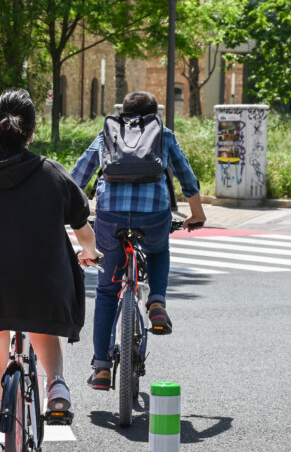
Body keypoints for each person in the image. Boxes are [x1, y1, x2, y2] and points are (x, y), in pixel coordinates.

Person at [0, 90, 98, 452]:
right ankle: (57, 385)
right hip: (42, 287)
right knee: (41, 320)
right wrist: (90, 253)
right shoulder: (52, 172)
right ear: (31, 132)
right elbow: (82, 227)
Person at [70, 91, 206, 391]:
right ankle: (156, 301)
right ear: (155, 114)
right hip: (153, 215)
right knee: (158, 250)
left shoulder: (107, 133)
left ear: (122, 111)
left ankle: (101, 368)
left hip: (110, 217)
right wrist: (197, 214)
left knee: (107, 292)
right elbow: (186, 177)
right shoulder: (163, 134)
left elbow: (77, 177)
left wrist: (72, 215)